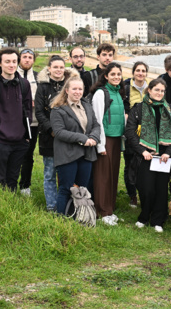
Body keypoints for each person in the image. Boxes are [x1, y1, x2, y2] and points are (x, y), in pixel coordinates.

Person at [125, 78, 171, 232]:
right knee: (146, 188)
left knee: (161, 188)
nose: (159, 93)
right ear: (149, 90)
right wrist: (142, 151)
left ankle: (158, 220)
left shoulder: (169, 109)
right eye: (156, 90)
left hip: (163, 156)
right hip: (145, 154)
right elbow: (130, 132)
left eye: (162, 91)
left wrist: (168, 153)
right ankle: (144, 216)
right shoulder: (139, 108)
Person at [0, 48, 32, 191]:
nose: (11, 65)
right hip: (0, 142)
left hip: (20, 142)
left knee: (13, 179)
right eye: (7, 61)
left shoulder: (24, 84)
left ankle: (11, 207)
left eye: (14, 61)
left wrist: (27, 137)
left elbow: (28, 111)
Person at [50, 76, 100, 215]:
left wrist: (94, 137)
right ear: (67, 90)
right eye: (74, 89)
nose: (78, 92)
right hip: (67, 154)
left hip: (87, 153)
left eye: (80, 89)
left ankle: (79, 217)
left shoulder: (87, 106)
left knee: (82, 189)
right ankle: (61, 219)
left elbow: (96, 125)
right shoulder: (58, 109)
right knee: (66, 188)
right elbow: (59, 132)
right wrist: (83, 138)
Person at [35, 55, 78, 211]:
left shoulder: (71, 85)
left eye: (61, 67)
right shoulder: (42, 87)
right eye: (55, 67)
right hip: (49, 137)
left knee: (67, 173)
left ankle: (66, 204)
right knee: (49, 173)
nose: (59, 70)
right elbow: (39, 112)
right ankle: (52, 206)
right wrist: (52, 130)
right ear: (49, 69)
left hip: (68, 137)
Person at [91, 63, 126, 225]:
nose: (116, 77)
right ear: (106, 76)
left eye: (119, 74)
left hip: (117, 139)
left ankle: (110, 209)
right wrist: (100, 145)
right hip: (105, 140)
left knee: (112, 175)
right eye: (113, 74)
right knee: (102, 176)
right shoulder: (101, 93)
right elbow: (97, 120)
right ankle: (102, 211)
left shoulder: (118, 92)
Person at [121, 60, 149, 207]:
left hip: (146, 133)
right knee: (129, 163)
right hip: (130, 131)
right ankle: (132, 194)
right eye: (138, 70)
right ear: (133, 73)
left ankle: (144, 192)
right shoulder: (126, 88)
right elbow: (124, 109)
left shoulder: (150, 88)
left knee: (144, 164)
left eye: (143, 71)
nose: (140, 73)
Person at [17, 48, 38, 197]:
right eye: (24, 57)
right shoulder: (11, 74)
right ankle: (8, 182)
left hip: (33, 123)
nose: (27, 60)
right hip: (14, 122)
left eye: (30, 57)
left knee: (28, 154)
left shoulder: (38, 77)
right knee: (12, 154)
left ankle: (25, 184)